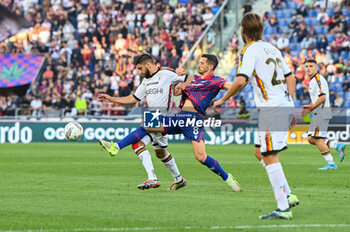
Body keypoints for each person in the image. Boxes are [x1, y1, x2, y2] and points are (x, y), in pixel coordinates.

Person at [99, 54, 241, 192]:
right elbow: (178, 92)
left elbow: (234, 85)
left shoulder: (215, 80)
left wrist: (223, 99)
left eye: (202, 63)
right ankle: (116, 146)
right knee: (148, 122)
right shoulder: (194, 79)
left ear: (210, 66)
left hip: (193, 120)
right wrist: (180, 86)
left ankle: (228, 178)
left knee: (201, 157)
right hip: (179, 116)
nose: (199, 64)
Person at [213, 13, 298, 219]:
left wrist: (223, 100)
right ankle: (288, 194)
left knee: (269, 155)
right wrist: (291, 105)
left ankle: (283, 208)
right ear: (261, 29)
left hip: (272, 108)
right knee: (259, 152)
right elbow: (291, 77)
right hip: (283, 104)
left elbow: (241, 80)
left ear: (242, 31)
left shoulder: (250, 50)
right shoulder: (272, 48)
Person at [98, 54, 191, 190]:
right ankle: (179, 179)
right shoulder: (146, 81)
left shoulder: (167, 73)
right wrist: (112, 99)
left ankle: (116, 147)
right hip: (155, 117)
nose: (140, 72)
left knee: (143, 129)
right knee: (158, 152)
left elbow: (190, 78)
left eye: (141, 69)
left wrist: (183, 85)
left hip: (165, 117)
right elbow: (134, 98)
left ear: (148, 64)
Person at [302, 58, 346, 170]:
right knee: (311, 138)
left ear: (316, 68)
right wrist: (309, 106)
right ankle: (337, 145)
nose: (308, 68)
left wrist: (311, 108)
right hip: (319, 112)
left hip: (321, 112)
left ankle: (331, 163)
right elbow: (318, 98)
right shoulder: (313, 81)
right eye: (306, 66)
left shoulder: (317, 79)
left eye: (311, 66)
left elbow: (322, 97)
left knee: (316, 138)